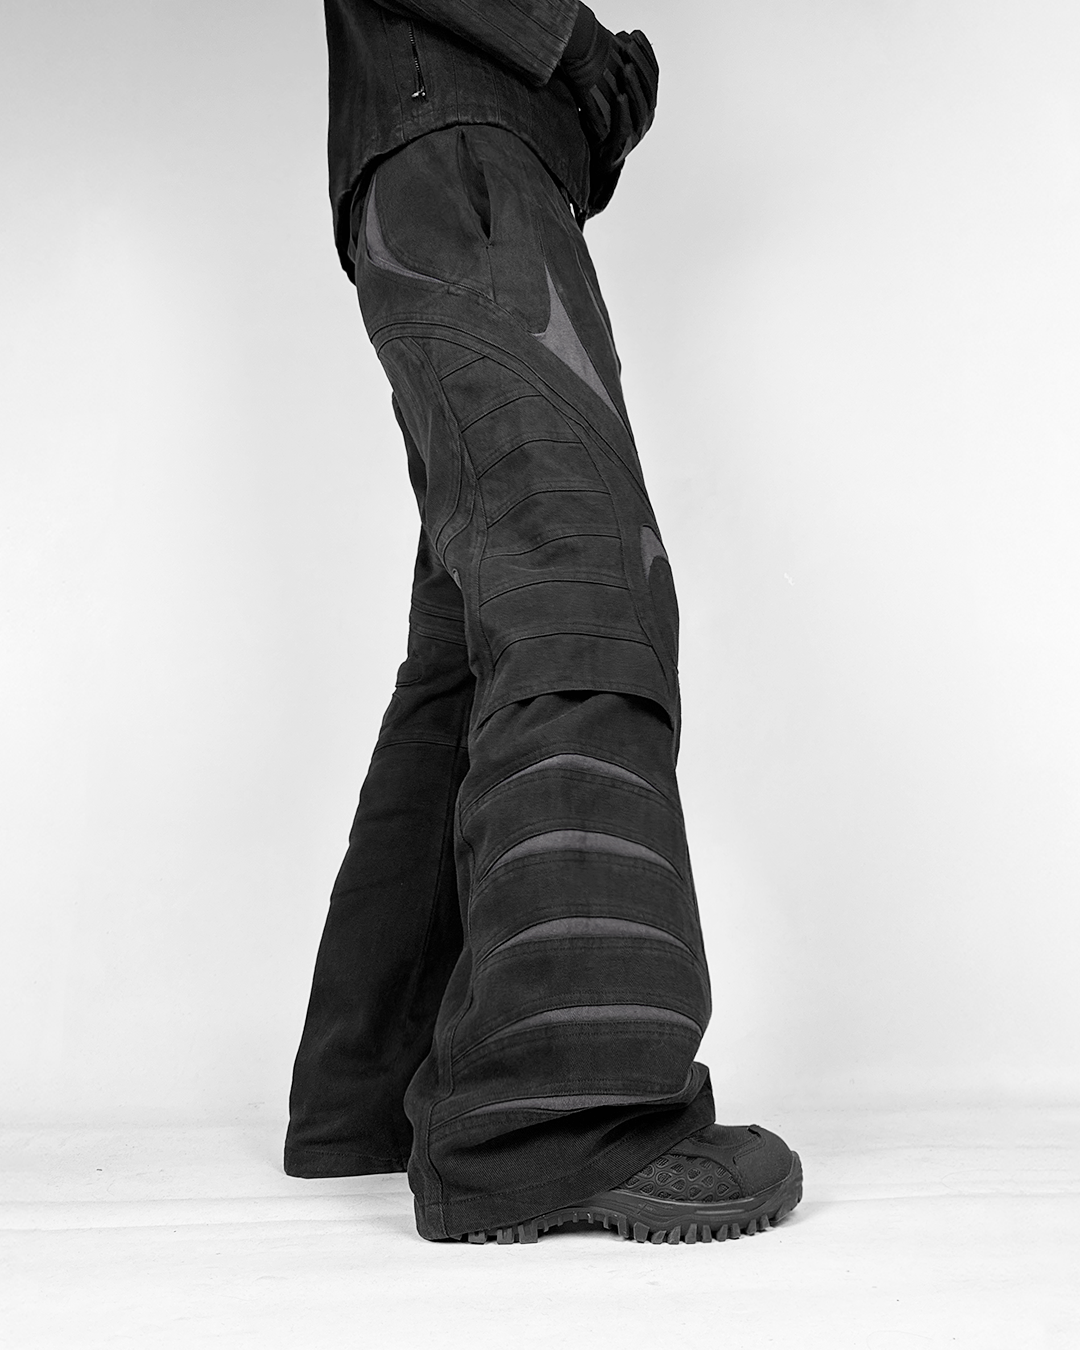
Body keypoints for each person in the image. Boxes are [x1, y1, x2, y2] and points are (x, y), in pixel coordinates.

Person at [284, 0, 803, 1245]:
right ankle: (556, 1126)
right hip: (461, 170)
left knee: (470, 639)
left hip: (465, 168)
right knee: (577, 574)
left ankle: (368, 1090)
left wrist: (586, 106)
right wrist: (562, 39)